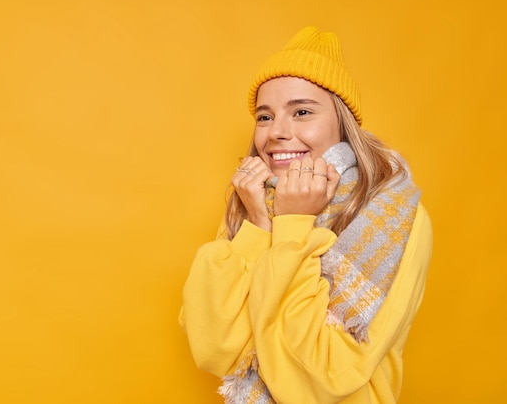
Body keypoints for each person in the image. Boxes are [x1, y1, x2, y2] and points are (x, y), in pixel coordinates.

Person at [178, 26, 433, 404]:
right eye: (264, 117)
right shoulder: (254, 205)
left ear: (342, 123)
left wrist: (292, 225)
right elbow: (215, 348)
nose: (277, 132)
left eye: (301, 112)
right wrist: (261, 227)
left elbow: (322, 378)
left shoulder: (390, 215)